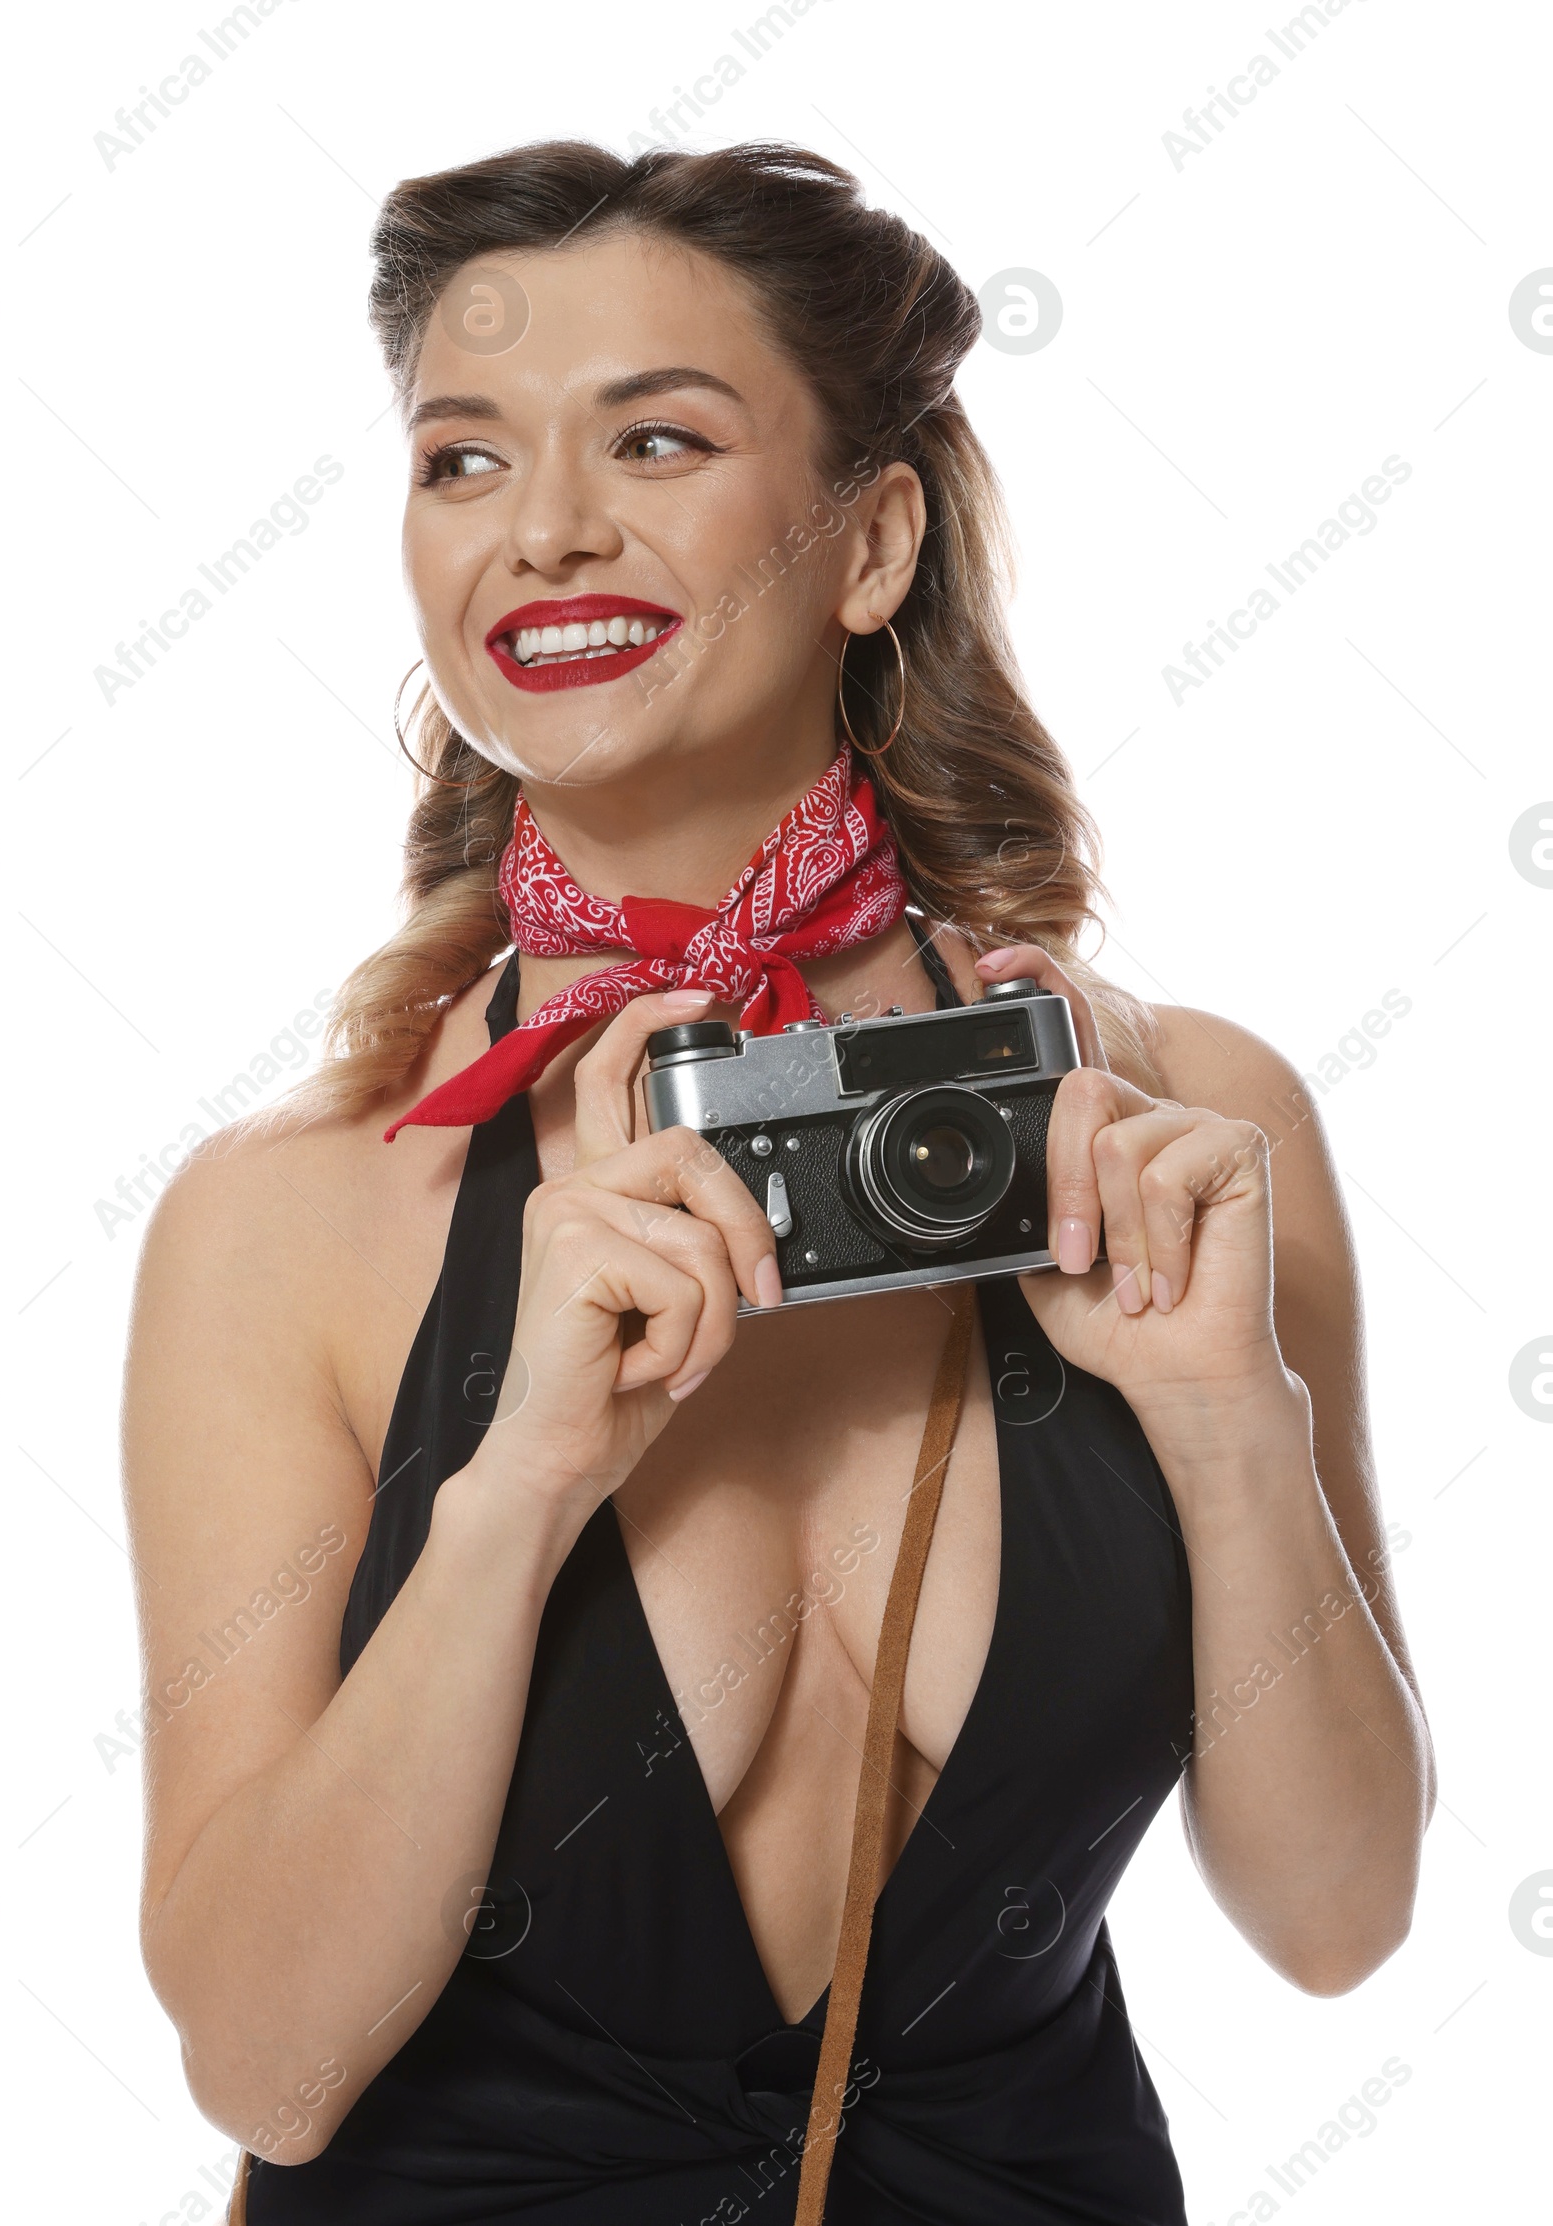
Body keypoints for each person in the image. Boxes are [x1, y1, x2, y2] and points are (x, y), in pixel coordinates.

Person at [123, 141, 1433, 2226]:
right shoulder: (292, 1221)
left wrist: (1218, 1422)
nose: (543, 528)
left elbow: (1335, 1918)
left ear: (870, 539)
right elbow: (269, 2073)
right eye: (460, 461)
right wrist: (516, 1491)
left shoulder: (1192, 1121)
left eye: (653, 438)